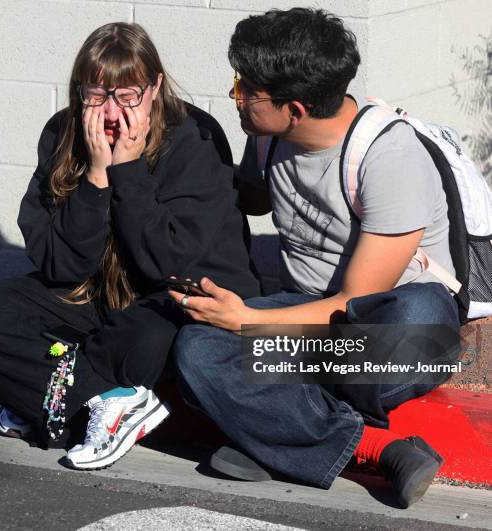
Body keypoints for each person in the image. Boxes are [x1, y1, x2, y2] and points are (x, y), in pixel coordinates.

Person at [170, 8, 460, 508]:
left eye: (246, 91)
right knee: (196, 347)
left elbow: (355, 301)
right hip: (308, 319)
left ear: (296, 109)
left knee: (413, 323)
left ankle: (275, 429)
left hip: (379, 324)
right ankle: (376, 447)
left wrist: (245, 325)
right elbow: (250, 198)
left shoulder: (390, 157)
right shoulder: (265, 135)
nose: (234, 96)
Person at [0, 22, 259, 471]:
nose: (111, 112)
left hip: (179, 298)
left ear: (155, 88)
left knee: (144, 338)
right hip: (93, 297)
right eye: (96, 95)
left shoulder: (193, 137)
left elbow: (163, 263)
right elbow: (61, 266)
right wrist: (94, 177)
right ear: (79, 90)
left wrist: (128, 170)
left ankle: (50, 403)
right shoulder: (63, 133)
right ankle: (86, 403)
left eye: (128, 95)